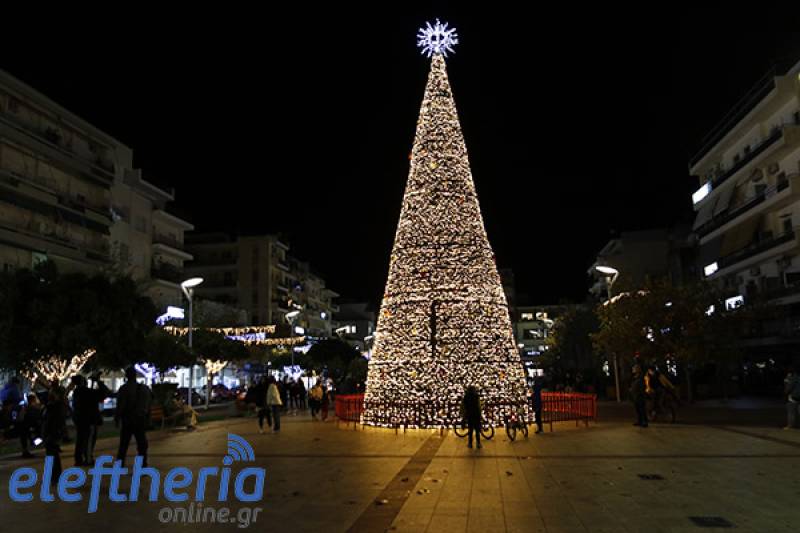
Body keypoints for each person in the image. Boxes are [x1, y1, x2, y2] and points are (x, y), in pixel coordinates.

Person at [115, 367, 153, 467]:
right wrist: (148, 417)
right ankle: (143, 463)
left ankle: (120, 463)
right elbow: (148, 405)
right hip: (140, 419)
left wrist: (117, 417)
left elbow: (120, 406)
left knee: (124, 443)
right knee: (141, 443)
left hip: (127, 419)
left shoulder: (124, 389)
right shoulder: (144, 388)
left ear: (127, 376)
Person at [71, 373, 111, 466]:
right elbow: (104, 393)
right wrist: (99, 382)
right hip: (89, 421)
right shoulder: (86, 392)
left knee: (80, 440)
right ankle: (88, 459)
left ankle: (79, 459)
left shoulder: (76, 392)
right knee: (88, 440)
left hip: (80, 420)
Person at [43, 386, 67, 484]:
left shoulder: (55, 406)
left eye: (51, 393)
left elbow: (53, 422)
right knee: (53, 455)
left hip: (52, 433)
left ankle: (55, 476)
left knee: (52, 455)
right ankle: (54, 476)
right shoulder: (55, 406)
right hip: (52, 433)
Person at [19, 393, 43, 458]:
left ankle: (28, 447)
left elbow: (21, 418)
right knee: (40, 436)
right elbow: (38, 418)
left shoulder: (25, 408)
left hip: (25, 427)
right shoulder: (33, 409)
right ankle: (34, 443)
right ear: (33, 400)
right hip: (29, 427)